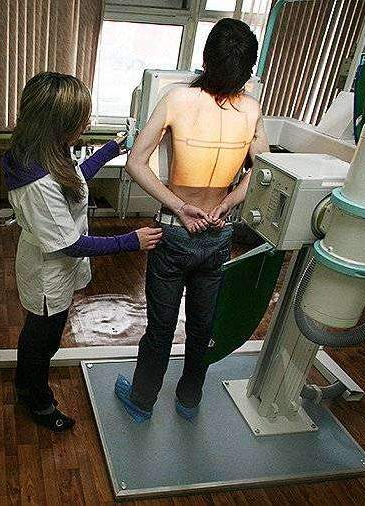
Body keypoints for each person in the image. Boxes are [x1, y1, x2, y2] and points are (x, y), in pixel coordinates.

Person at [2, 72, 210, 432]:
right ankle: (37, 402)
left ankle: (26, 385)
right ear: (58, 123)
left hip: (54, 265)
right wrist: (130, 241)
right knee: (42, 338)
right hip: (48, 271)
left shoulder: (44, 151)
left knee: (41, 333)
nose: (87, 123)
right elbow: (70, 243)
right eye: (81, 119)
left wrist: (112, 149)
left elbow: (74, 180)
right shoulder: (36, 182)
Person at [115, 18, 270, 422]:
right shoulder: (252, 109)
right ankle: (188, 399)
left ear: (206, 58)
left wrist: (179, 207)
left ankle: (142, 401)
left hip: (175, 230)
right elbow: (263, 172)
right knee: (203, 326)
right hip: (218, 231)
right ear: (248, 69)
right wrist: (229, 202)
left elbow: (136, 162)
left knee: (161, 328)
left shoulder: (176, 99)